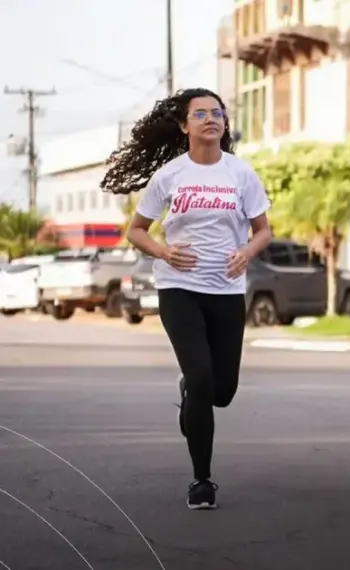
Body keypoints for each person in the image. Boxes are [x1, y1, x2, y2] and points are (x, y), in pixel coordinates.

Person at [100, 88, 273, 509]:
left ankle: (193, 392)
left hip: (227, 290)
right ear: (184, 125)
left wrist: (247, 252)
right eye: (200, 113)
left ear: (224, 124)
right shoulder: (170, 176)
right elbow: (137, 230)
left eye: (217, 113)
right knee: (201, 380)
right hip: (179, 289)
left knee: (222, 390)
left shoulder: (241, 173)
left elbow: (263, 230)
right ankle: (202, 480)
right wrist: (163, 251)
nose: (210, 119)